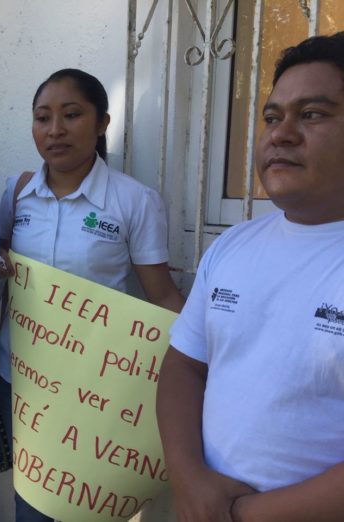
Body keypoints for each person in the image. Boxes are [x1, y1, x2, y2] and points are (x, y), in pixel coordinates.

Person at [156, 32, 344, 522]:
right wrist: (188, 480)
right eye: (271, 117)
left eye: (313, 114)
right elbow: (184, 366)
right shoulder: (233, 247)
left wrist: (245, 514)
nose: (280, 134)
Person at [0, 68, 185, 522]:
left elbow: (160, 295)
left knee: (92, 510)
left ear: (102, 123)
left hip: (96, 388)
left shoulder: (133, 201)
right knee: (33, 505)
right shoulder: (17, 192)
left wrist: (203, 361)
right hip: (21, 378)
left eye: (72, 115)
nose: (55, 130)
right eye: (43, 118)